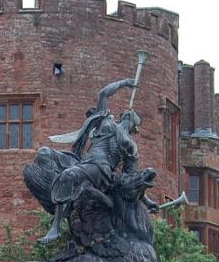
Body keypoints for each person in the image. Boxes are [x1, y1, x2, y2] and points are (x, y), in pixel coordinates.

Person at [34, 77, 144, 244]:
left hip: (100, 170)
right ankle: (64, 201)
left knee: (68, 175)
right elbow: (103, 94)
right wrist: (124, 83)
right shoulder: (105, 121)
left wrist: (146, 201)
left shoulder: (131, 146)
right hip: (84, 162)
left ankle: (55, 227)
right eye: (127, 113)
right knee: (44, 153)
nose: (129, 113)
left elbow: (130, 179)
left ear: (135, 126)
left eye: (132, 115)